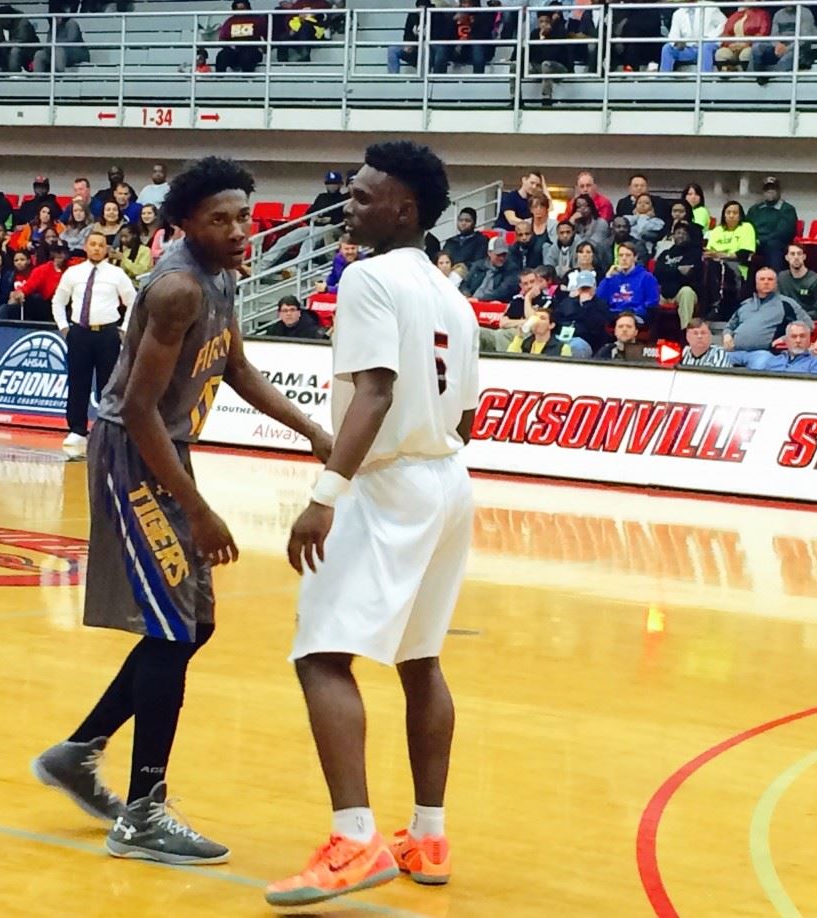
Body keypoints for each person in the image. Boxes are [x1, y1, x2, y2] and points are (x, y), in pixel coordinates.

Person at [32, 156, 331, 869]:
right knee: (170, 631)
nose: (239, 230)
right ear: (186, 226)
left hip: (165, 451)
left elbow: (237, 366)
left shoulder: (223, 274)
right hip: (133, 454)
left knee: (192, 626)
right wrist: (197, 509)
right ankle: (143, 810)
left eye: (243, 215)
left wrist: (311, 429)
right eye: (220, 219)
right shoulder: (174, 288)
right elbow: (136, 409)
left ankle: (77, 754)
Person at [266, 140, 478, 908]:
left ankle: (354, 841)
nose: (348, 206)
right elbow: (472, 415)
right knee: (419, 660)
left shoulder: (366, 279)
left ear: (406, 209)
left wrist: (326, 493)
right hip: (449, 479)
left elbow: (375, 394)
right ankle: (427, 834)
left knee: (321, 655)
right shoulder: (452, 294)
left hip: (388, 486)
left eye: (363, 196)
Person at [48, 231, 135, 449]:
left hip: (107, 334)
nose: (97, 248)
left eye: (101, 245)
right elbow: (58, 301)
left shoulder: (117, 274)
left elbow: (133, 302)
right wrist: (64, 327)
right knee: (78, 382)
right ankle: (77, 429)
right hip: (79, 333)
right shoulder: (73, 273)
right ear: (86, 247)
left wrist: (124, 329)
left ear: (106, 249)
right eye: (93, 244)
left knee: (108, 385)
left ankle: (106, 431)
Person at [722, 267, 811, 365]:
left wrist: (785, 338)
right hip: (735, 352)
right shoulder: (745, 304)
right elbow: (729, 326)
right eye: (762, 279)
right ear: (756, 283)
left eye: (770, 279)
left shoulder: (786, 303)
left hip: (764, 354)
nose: (766, 282)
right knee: (716, 362)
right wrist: (727, 335)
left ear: (776, 283)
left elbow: (808, 325)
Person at [653, 221, 702, 328]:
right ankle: (653, 334)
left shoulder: (694, 254)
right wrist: (678, 270)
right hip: (664, 293)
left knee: (686, 291)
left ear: (689, 237)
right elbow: (657, 272)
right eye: (678, 232)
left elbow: (690, 276)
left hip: (682, 293)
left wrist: (668, 271)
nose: (680, 235)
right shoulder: (665, 253)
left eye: (684, 234)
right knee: (651, 292)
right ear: (673, 235)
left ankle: (686, 331)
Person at [551, 270, 610, 358]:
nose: (585, 291)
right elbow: (557, 318)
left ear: (594, 287)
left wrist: (587, 304)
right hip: (562, 336)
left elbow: (597, 325)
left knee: (577, 346)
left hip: (585, 340)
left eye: (588, 288)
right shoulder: (568, 302)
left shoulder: (601, 305)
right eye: (583, 288)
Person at [745, 177, 798, 272]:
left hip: (776, 244)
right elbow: (747, 228)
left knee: (773, 245)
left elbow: (784, 232)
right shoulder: (754, 209)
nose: (770, 191)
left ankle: (775, 282)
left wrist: (761, 240)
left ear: (779, 191)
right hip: (755, 243)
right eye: (767, 189)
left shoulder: (787, 209)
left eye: (773, 189)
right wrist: (753, 241)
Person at [597, 242, 660, 322]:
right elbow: (599, 299)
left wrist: (633, 312)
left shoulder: (647, 277)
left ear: (635, 258)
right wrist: (607, 277)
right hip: (614, 315)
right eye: (621, 255)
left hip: (635, 315)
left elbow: (652, 302)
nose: (624, 258)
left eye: (628, 255)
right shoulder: (612, 278)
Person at [659, 0, 725, 74]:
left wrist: (708, 37)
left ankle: (705, 79)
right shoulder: (678, 13)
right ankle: (664, 78)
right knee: (667, 48)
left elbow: (724, 24)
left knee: (705, 47)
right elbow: (673, 35)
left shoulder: (710, 6)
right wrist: (676, 43)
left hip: (707, 47)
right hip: (689, 49)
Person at [745, 322, 817, 375]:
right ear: (786, 340)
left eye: (802, 336)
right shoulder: (772, 361)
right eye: (794, 336)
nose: (798, 340)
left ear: (809, 340)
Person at [460, 235, 519, 303]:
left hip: (493, 303)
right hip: (472, 300)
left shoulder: (511, 269)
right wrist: (466, 294)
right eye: (498, 254)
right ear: (489, 253)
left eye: (504, 255)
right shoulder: (478, 266)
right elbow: (464, 284)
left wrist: (480, 300)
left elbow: (503, 291)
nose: (502, 258)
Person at [778, 242, 817, 320]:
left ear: (804, 257)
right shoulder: (781, 278)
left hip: (807, 321)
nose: (796, 257)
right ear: (786, 257)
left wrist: (797, 317)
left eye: (799, 254)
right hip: (785, 320)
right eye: (792, 254)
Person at [216, 0, 267, 73]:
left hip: (252, 49)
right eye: (238, 9)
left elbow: (265, 35)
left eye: (243, 9)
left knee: (247, 56)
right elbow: (222, 38)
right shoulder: (230, 21)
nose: (241, 11)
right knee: (222, 56)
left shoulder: (257, 20)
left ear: (248, 8)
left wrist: (263, 48)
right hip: (234, 50)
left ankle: (247, 80)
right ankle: (219, 79)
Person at [387, 0, 432, 74]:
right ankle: (393, 78)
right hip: (414, 48)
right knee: (392, 49)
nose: (421, 12)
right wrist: (408, 44)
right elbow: (407, 33)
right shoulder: (412, 16)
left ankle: (424, 79)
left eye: (424, 9)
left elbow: (436, 36)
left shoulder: (435, 16)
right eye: (419, 9)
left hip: (428, 49)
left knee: (425, 48)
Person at [507, 306, 571, 356]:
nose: (537, 321)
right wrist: (519, 337)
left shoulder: (561, 348)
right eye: (535, 317)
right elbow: (511, 359)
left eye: (542, 318)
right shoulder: (525, 344)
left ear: (551, 325)